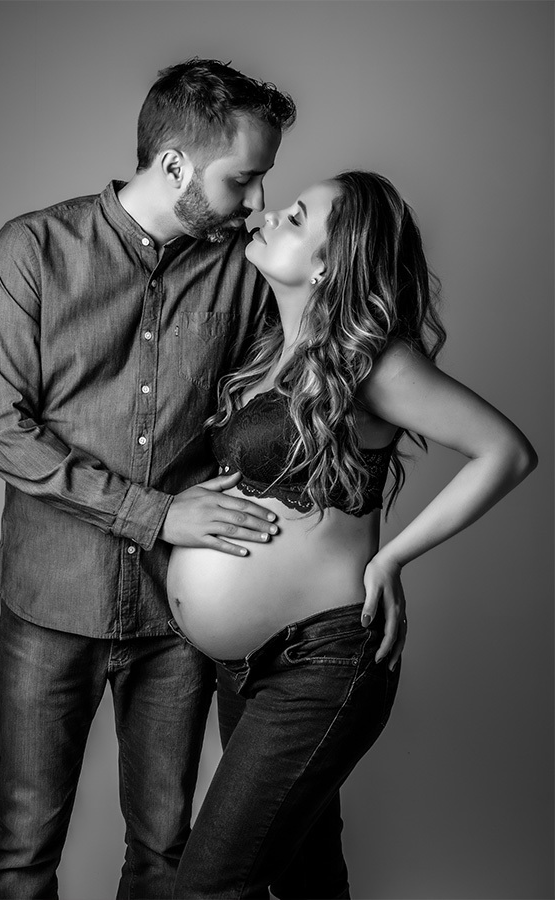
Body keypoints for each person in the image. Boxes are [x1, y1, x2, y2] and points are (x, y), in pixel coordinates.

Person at [0, 58, 296, 900]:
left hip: (176, 613)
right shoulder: (31, 250)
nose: (259, 202)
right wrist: (154, 514)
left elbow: (280, 413)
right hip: (50, 602)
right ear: (176, 164)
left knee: (164, 851)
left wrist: (371, 556)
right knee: (23, 847)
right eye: (243, 179)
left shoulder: (244, 271)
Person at [167, 171, 538, 899]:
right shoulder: (267, 348)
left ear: (327, 264)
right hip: (246, 666)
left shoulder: (372, 362)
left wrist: (393, 557)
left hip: (321, 662)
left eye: (296, 217)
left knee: (210, 887)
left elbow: (506, 452)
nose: (271, 213)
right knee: (307, 879)